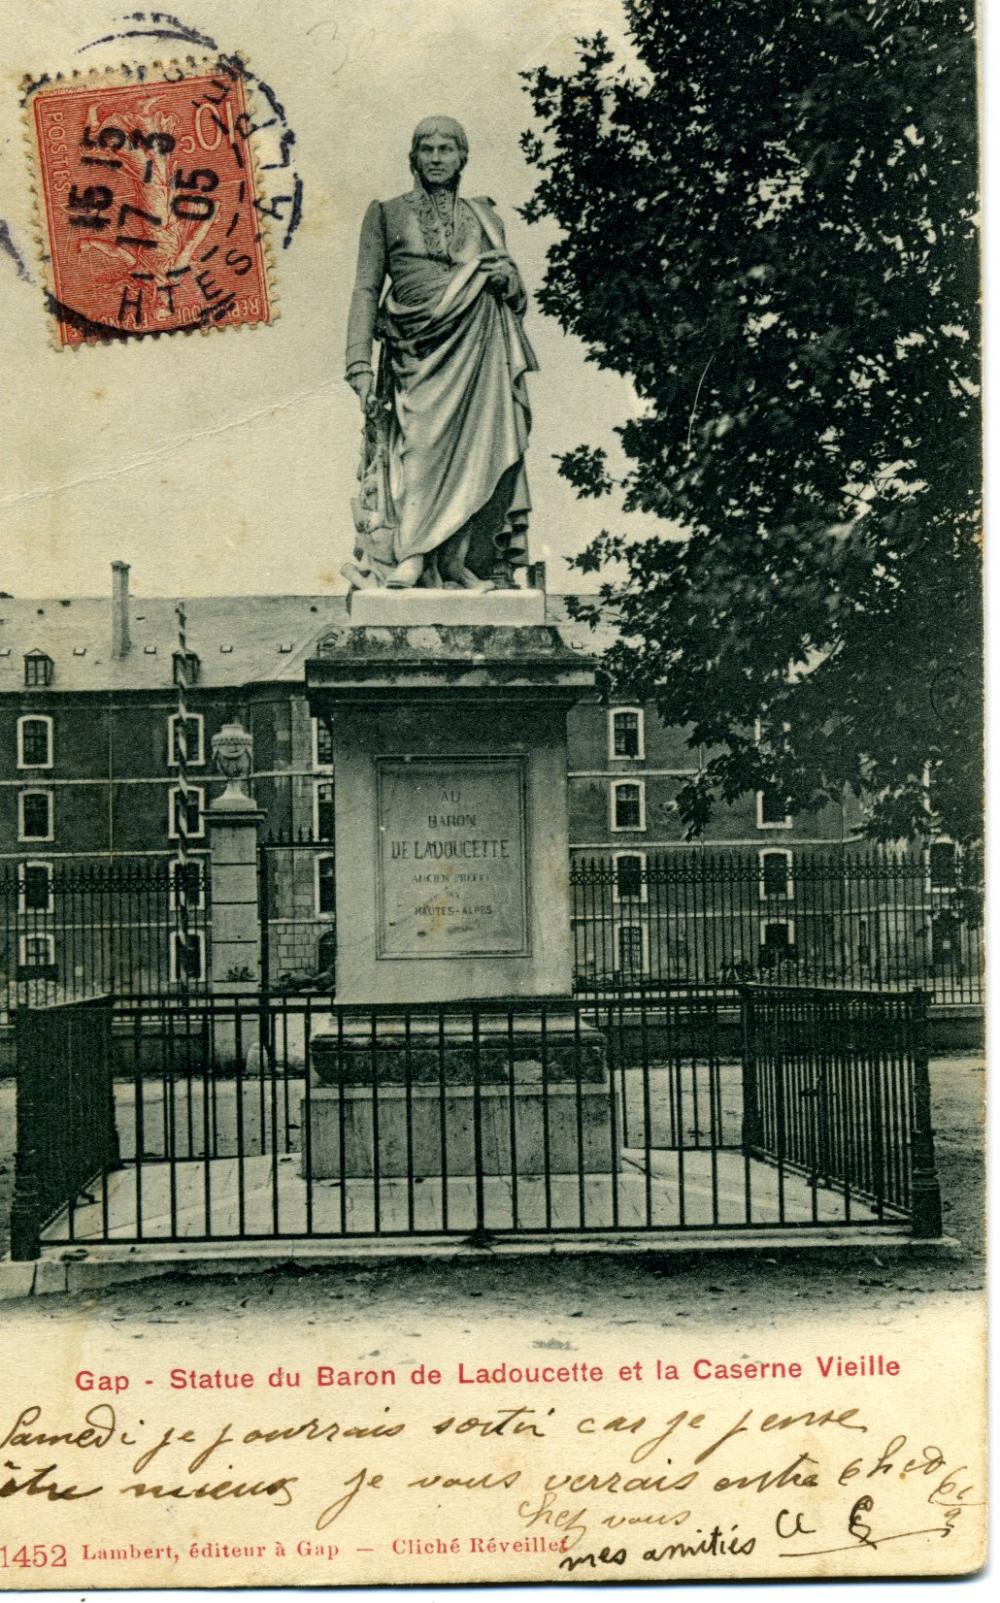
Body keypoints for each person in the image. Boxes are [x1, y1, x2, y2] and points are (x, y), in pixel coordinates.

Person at [344, 116, 537, 590]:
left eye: (445, 149)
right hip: (415, 349)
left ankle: (454, 561)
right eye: (426, 149)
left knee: (480, 450)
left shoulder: (486, 217)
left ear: (461, 157)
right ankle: (413, 552)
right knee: (421, 448)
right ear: (414, 156)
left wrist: (508, 282)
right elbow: (366, 289)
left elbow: (516, 296)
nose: (435, 157)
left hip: (479, 344)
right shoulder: (385, 213)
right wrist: (358, 361)